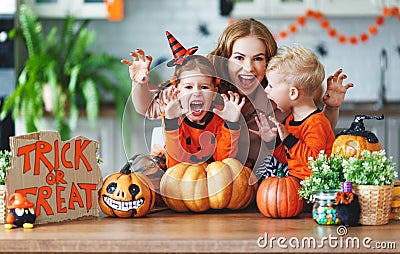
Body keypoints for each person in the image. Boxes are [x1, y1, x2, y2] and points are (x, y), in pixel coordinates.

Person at [121, 18, 353, 169]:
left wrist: (331, 108)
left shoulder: (277, 99)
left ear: (269, 62)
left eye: (258, 59)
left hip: (254, 189)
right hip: (201, 180)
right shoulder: (205, 89)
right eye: (239, 58)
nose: (248, 68)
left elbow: (318, 134)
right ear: (224, 59)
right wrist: (140, 83)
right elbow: (147, 108)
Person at [156, 32, 245, 168]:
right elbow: (175, 167)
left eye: (204, 87)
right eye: (188, 87)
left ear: (214, 92)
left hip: (214, 184)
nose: (196, 92)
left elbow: (225, 163)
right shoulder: (174, 117)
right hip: (184, 184)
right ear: (177, 91)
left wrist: (231, 124)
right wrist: (171, 122)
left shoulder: (219, 118)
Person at [251, 44, 336, 181]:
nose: (266, 90)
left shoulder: (316, 122)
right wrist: (273, 142)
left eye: (271, 86)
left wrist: (289, 139)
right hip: (293, 182)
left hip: (314, 187)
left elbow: (314, 162)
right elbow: (288, 159)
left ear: (292, 93)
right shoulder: (291, 120)